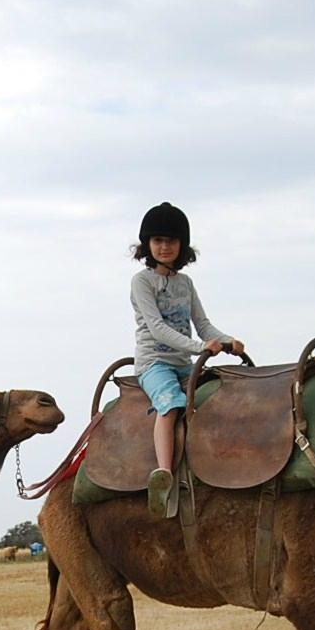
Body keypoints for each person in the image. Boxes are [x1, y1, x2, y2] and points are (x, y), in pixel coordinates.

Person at [130, 202, 244, 517]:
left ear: (182, 245)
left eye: (171, 240)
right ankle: (164, 474)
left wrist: (226, 341)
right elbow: (157, 328)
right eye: (157, 241)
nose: (164, 247)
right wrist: (200, 347)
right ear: (147, 246)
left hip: (186, 362)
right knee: (170, 405)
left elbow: (203, 324)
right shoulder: (142, 282)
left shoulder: (186, 284)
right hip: (155, 363)